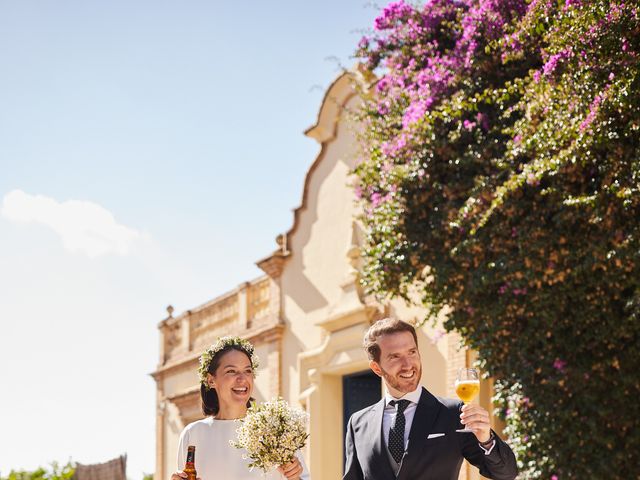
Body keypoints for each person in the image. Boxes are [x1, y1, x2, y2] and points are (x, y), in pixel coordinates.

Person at [343, 318, 518, 480]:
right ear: (376, 368)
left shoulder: (454, 413)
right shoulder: (358, 423)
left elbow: (506, 473)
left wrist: (486, 439)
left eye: (412, 352)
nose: (408, 364)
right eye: (395, 356)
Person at [170, 336, 310, 480]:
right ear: (211, 380)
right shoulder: (192, 434)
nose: (242, 379)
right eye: (231, 371)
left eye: (248, 371)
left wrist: (295, 476)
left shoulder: (273, 430)